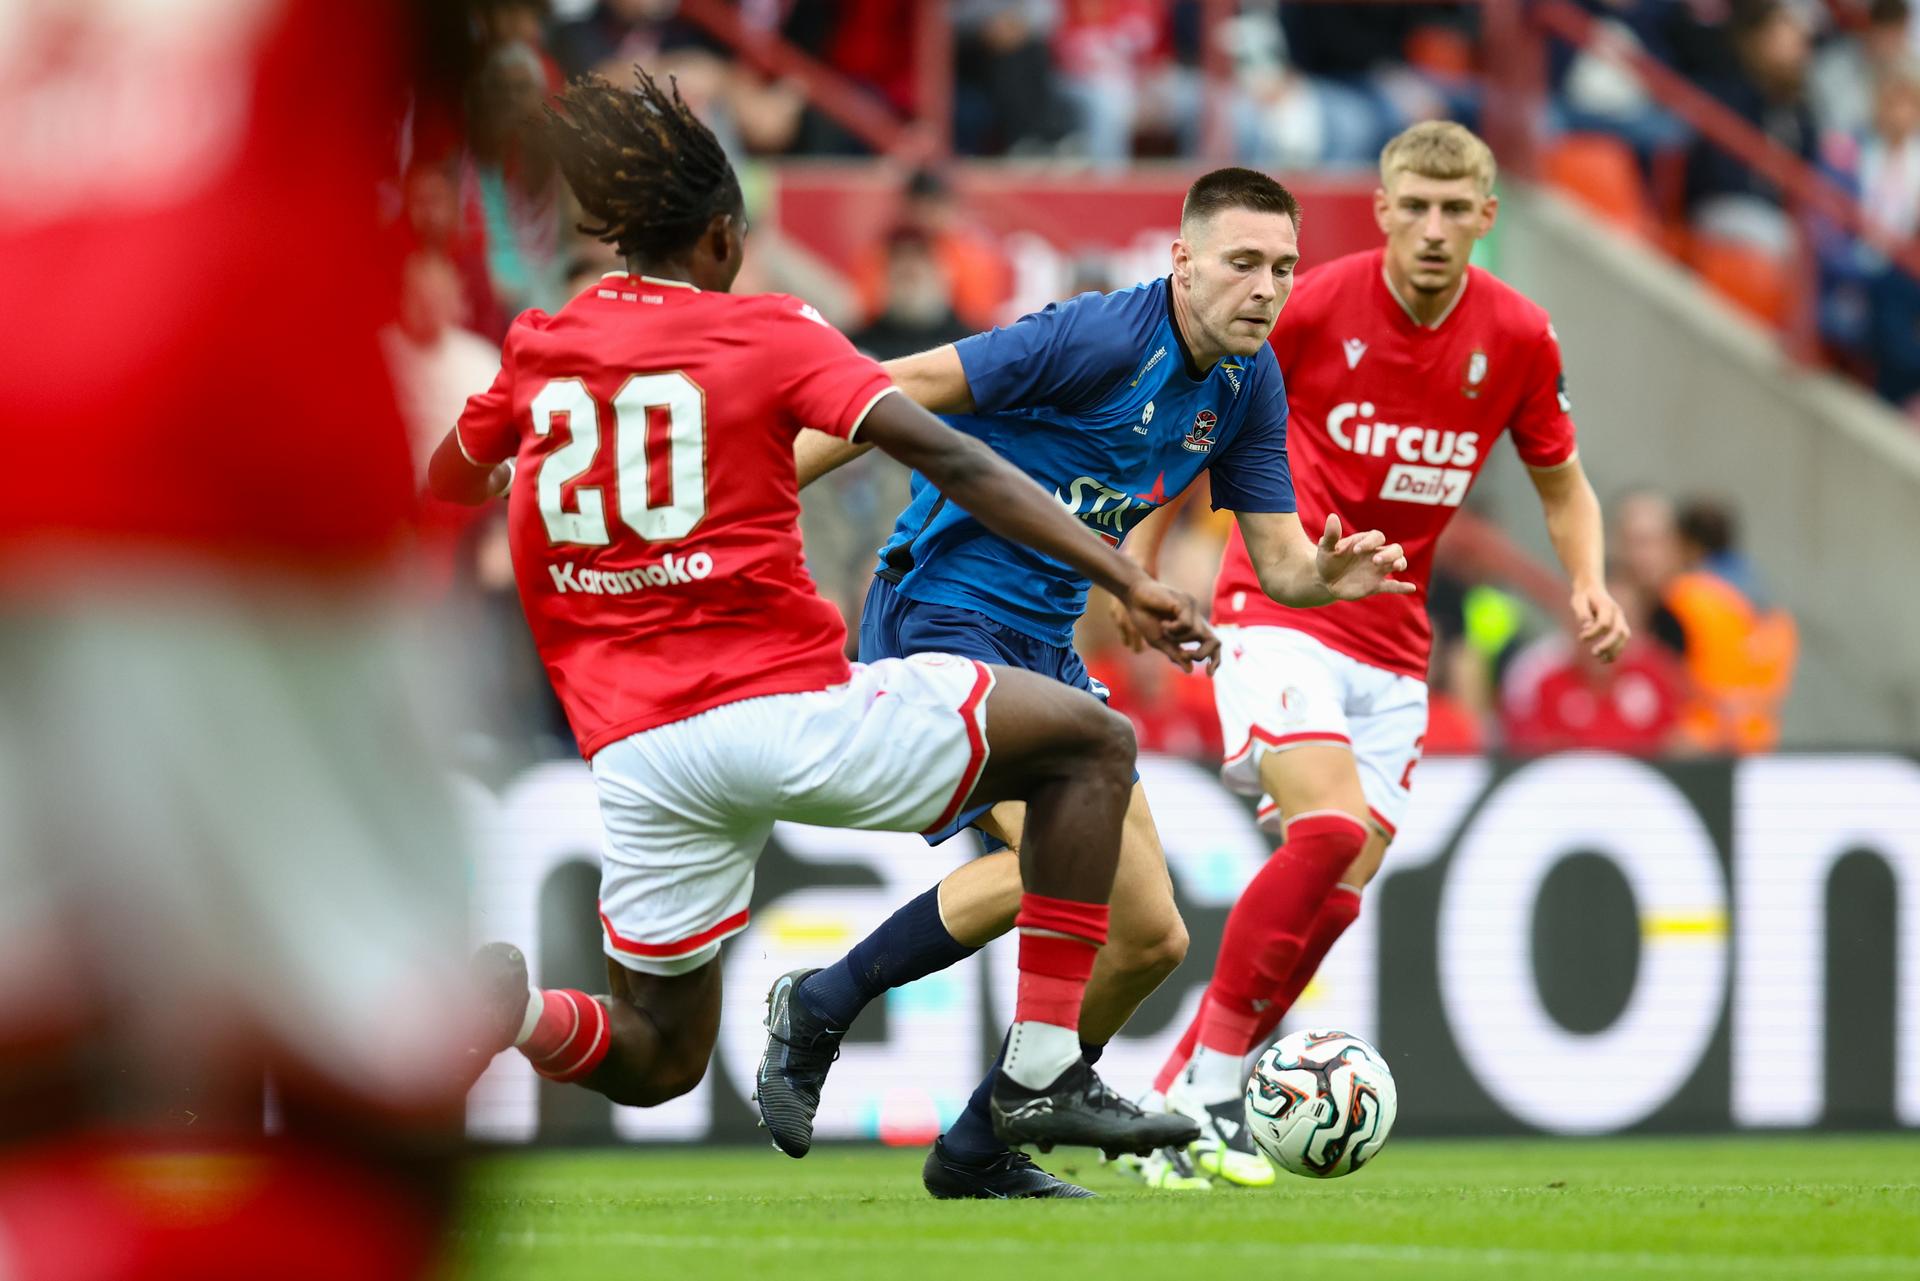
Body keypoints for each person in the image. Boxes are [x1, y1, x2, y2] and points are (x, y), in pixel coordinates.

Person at [432, 69, 1217, 1165]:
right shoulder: (766, 331)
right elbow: (947, 454)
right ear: (718, 240)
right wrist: (1123, 576)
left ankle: (509, 1020)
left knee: (659, 1057)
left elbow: (453, 479)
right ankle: (1040, 1074)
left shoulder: (537, 348)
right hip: (785, 715)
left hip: (637, 754)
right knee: (1092, 745)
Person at [759, 167, 1413, 1197]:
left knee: (1151, 935)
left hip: (1049, 645)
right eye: (1242, 263)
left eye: (1284, 268)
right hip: (945, 611)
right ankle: (823, 1003)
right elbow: (905, 388)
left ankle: (977, 1144)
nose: (1265, 288)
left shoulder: (1247, 383)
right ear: (1182, 261)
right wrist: (750, 498)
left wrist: (1323, 580)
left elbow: (1281, 563)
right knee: (1064, 867)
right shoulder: (1099, 337)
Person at [1129, 122, 1632, 1186]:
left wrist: (1587, 578)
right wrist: (1146, 552)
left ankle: (1177, 1091)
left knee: (1341, 887)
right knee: (1327, 831)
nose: (1437, 230)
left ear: (1487, 220)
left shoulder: (1521, 336)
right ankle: (1208, 1089)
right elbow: (1202, 412)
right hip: (1278, 605)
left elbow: (1561, 482)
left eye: (1458, 211)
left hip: (1398, 645)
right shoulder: (1312, 304)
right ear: (1383, 211)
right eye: (1417, 206)